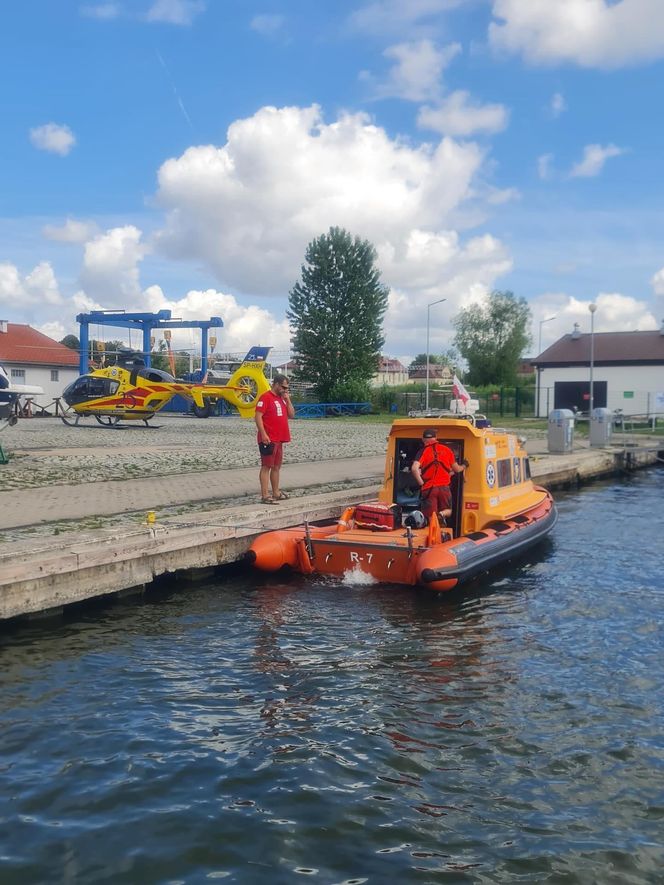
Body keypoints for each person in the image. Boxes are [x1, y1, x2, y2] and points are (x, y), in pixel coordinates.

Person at [411, 428, 468, 525]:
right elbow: (457, 469)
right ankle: (441, 514)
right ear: (436, 438)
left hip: (429, 489)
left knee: (430, 517)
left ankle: (433, 529)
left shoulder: (423, 451)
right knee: (449, 511)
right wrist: (465, 465)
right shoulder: (447, 450)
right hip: (444, 488)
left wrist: (421, 483)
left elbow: (414, 468)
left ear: (423, 440)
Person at [254, 373, 295, 504]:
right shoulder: (266, 397)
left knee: (276, 466)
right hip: (269, 438)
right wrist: (263, 433)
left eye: (287, 388)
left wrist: (288, 399)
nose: (285, 390)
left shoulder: (282, 399)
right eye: (283, 387)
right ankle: (265, 494)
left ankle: (276, 492)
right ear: (276, 384)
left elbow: (291, 415)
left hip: (279, 438)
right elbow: (258, 416)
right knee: (266, 465)